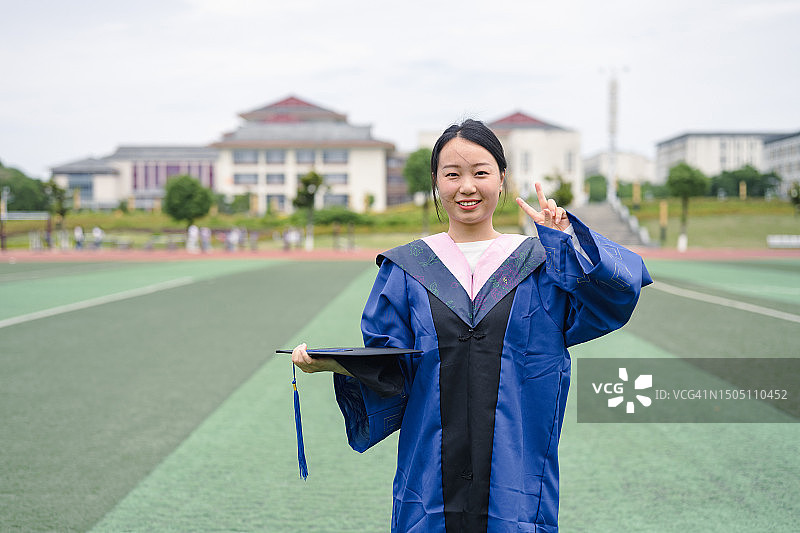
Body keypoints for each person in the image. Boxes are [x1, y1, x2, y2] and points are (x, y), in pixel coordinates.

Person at [292, 119, 651, 532]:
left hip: (515, 471)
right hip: (430, 473)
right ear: (436, 182)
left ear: (502, 179)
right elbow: (393, 366)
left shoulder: (540, 263)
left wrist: (567, 242)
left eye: (480, 172)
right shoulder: (407, 269)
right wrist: (333, 364)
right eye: (453, 174)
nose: (467, 186)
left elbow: (614, 297)